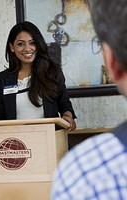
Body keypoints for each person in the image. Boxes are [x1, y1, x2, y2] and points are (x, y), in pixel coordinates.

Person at [51, 0, 127, 199]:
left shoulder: (83, 175)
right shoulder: (3, 78)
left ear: (111, 63)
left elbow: (64, 103)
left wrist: (67, 115)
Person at [0, 21, 76, 130]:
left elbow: (64, 105)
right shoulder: (3, 78)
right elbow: (1, 116)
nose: (27, 48)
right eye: (20, 44)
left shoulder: (52, 72)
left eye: (32, 43)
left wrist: (68, 117)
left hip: (49, 139)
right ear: (12, 47)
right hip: (19, 143)